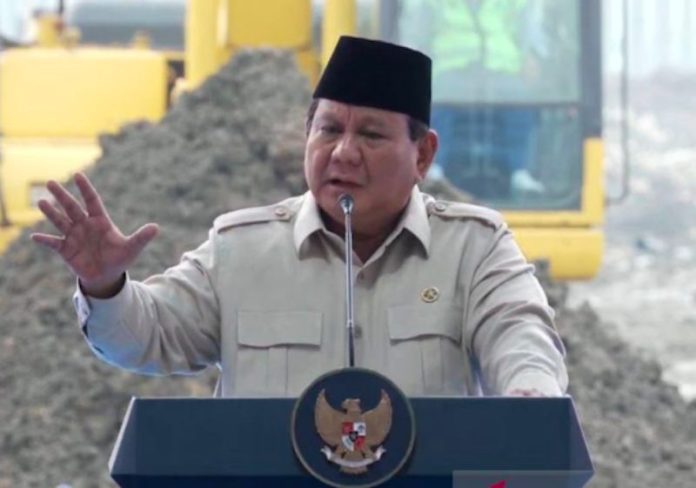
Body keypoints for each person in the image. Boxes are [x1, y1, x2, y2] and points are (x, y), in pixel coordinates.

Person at [31, 36, 567, 398]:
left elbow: (520, 332)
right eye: (329, 130)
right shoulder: (242, 248)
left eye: (371, 135)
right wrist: (105, 284)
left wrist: (530, 392)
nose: (344, 153)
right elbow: (147, 336)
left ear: (423, 155)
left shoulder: (473, 247)